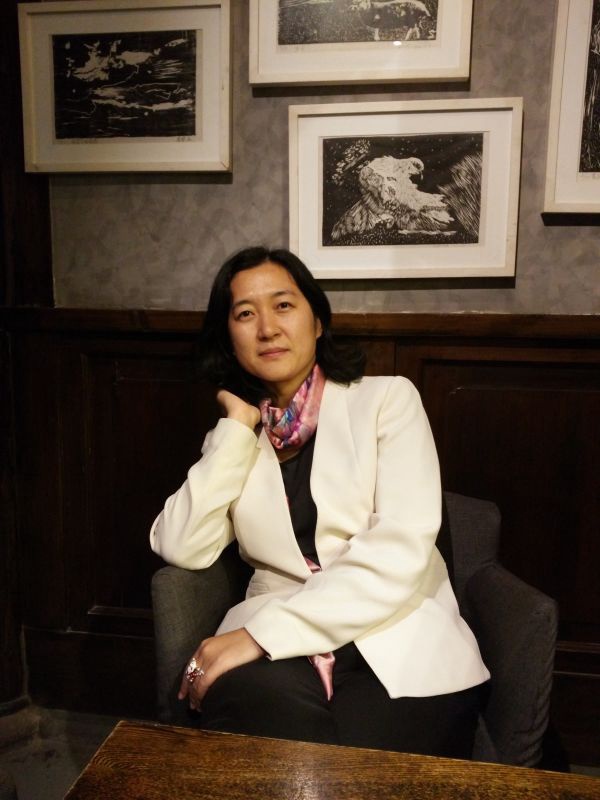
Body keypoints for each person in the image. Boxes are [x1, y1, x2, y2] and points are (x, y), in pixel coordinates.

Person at [149, 246, 490, 756]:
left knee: (361, 763)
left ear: (318, 320)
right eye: (245, 314)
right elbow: (180, 545)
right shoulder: (238, 438)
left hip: (394, 628)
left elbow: (399, 548)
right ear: (229, 338)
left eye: (283, 305)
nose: (267, 328)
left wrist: (261, 635)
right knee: (270, 747)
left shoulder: (388, 400)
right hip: (277, 648)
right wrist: (237, 427)